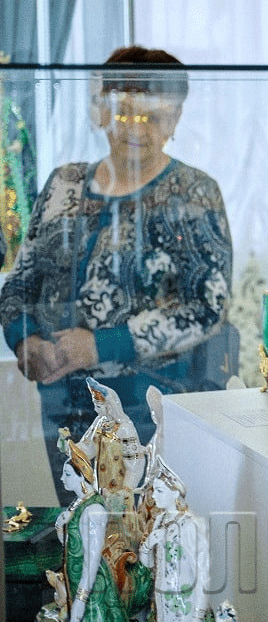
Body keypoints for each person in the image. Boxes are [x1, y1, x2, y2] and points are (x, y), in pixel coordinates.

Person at [0, 45, 234, 501]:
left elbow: (208, 307)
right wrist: (24, 340)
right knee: (79, 528)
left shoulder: (194, 193)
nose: (137, 129)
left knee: (142, 534)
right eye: (125, 113)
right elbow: (20, 281)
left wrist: (100, 345)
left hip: (148, 409)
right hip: (62, 407)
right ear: (103, 110)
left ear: (176, 119)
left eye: (154, 116)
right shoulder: (63, 182)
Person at [53, 437, 151, 622]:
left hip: (93, 593)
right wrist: (60, 528)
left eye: (67, 474)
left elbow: (92, 561)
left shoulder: (94, 510)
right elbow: (73, 546)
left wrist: (81, 600)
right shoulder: (79, 503)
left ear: (81, 475)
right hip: (77, 582)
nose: (61, 478)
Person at [137, 457, 211, 622]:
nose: (153, 495)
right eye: (154, 490)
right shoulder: (159, 520)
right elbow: (148, 564)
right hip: (161, 600)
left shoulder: (189, 524)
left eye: (159, 491)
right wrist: (148, 545)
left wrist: (198, 613)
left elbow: (202, 572)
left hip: (183, 604)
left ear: (175, 493)